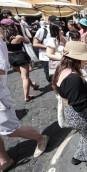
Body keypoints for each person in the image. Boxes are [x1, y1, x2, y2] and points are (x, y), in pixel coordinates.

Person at [0, 26, 49, 172]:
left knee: (10, 130)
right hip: (18, 58)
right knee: (25, 77)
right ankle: (4, 160)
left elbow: (2, 69)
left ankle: (41, 138)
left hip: (2, 91)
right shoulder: (15, 37)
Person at [51, 41, 87, 168]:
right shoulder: (73, 78)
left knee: (84, 135)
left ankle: (78, 156)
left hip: (70, 112)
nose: (86, 61)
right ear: (76, 59)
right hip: (80, 116)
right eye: (84, 59)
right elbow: (80, 106)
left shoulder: (61, 68)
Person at [1, 19, 39, 102]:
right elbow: (28, 41)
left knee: (22, 75)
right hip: (20, 56)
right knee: (25, 77)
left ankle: (33, 85)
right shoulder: (18, 37)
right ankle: (27, 97)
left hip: (10, 57)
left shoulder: (2, 37)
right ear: (12, 27)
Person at [33, 15, 60, 82]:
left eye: (58, 22)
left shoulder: (58, 29)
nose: (57, 24)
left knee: (58, 74)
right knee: (50, 77)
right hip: (46, 57)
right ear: (49, 22)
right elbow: (35, 44)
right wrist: (50, 47)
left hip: (56, 56)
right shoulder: (42, 30)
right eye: (55, 22)